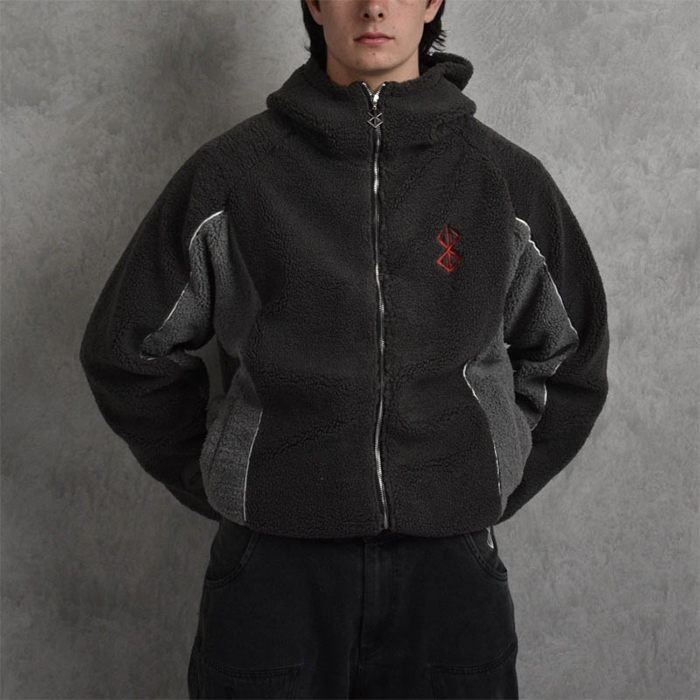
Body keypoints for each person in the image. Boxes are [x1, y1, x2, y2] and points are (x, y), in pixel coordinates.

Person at [79, 0, 609, 697]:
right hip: (273, 572)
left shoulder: (502, 179)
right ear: (313, 4)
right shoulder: (234, 175)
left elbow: (570, 358)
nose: (374, 6)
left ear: (433, 3)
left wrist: (488, 473)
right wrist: (228, 472)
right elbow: (128, 352)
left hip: (449, 574)